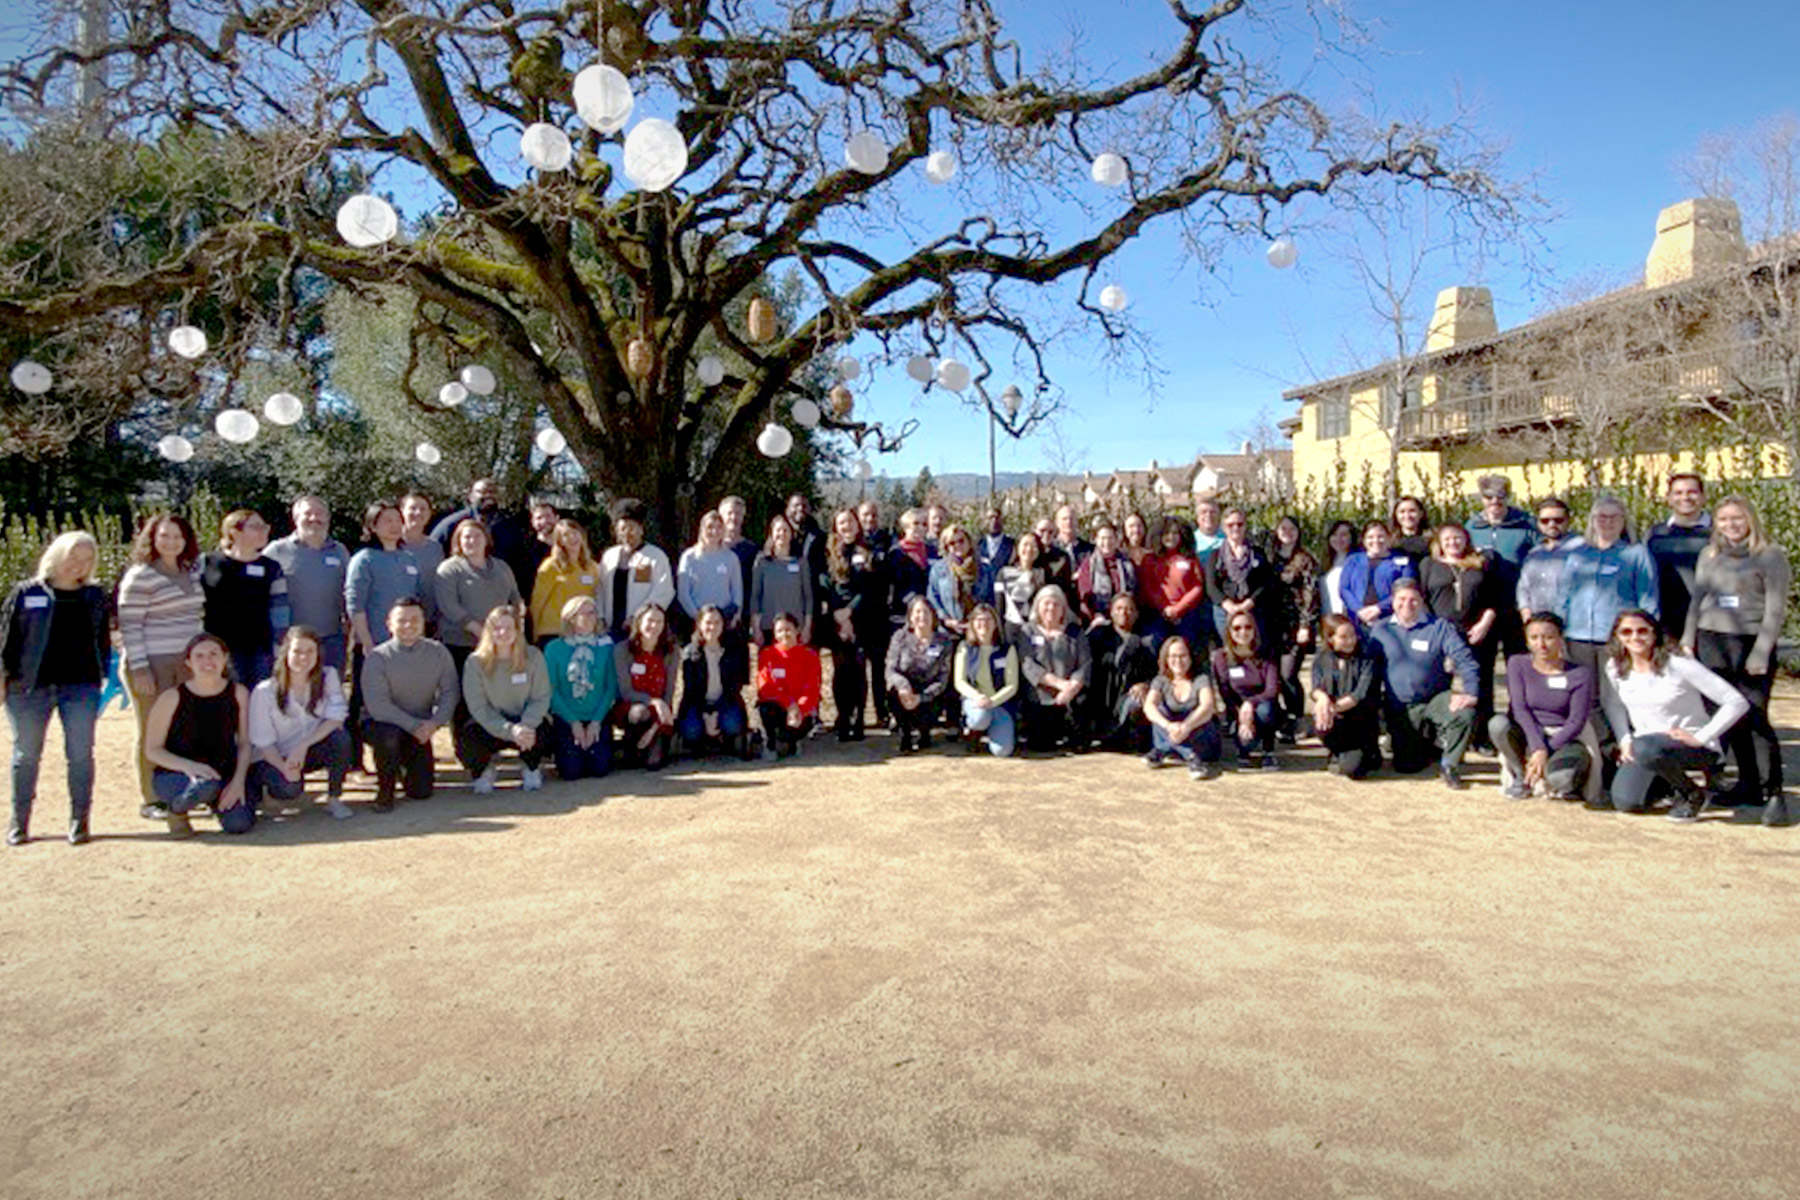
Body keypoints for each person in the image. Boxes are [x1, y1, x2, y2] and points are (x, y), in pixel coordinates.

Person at [1683, 496, 1791, 822]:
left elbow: (1775, 608)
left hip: (1749, 642)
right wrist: (1689, 637)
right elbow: (1697, 599)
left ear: (1750, 520)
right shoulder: (1710, 554)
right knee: (1727, 715)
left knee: (1755, 715)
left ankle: (1773, 793)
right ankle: (1747, 784)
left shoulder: (1770, 556)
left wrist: (1761, 650)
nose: (1731, 525)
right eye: (1724, 519)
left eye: (1737, 519)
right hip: (1710, 639)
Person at [2, 531, 112, 845]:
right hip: (28, 688)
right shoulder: (25, 593)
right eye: (74, 555)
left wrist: (101, 674)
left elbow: (102, 639)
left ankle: (80, 820)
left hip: (79, 688)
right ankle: (19, 822)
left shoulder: (94, 596)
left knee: (80, 755)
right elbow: (6, 640)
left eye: (87, 558)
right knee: (26, 755)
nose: (79, 564)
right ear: (57, 553)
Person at [1601, 609, 1748, 821]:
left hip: (1692, 747)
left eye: (1642, 631)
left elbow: (1736, 702)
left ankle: (1691, 794)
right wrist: (1624, 739)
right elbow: (1613, 704)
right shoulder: (1615, 667)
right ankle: (1666, 785)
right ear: (1617, 636)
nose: (1635, 638)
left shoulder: (1679, 664)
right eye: (1626, 632)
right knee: (1627, 802)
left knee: (1646, 747)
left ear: (1654, 634)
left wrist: (1701, 737)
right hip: (1646, 748)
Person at [118, 513, 206, 814]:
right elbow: (130, 626)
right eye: (165, 536)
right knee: (152, 730)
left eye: (177, 537)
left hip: (185, 664)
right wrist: (140, 668)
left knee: (181, 729)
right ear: (152, 539)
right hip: (151, 665)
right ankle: (151, 798)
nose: (171, 542)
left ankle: (181, 789)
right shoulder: (141, 575)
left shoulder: (189, 571)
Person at [1368, 579, 1480, 789]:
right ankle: (1427, 742)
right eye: (1401, 599)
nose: (1407, 604)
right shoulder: (1380, 630)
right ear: (1392, 601)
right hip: (1399, 705)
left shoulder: (1439, 627)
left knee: (1464, 714)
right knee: (1407, 766)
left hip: (1434, 699)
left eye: (1413, 599)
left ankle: (1450, 764)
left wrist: (1471, 692)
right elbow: (1369, 671)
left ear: (1422, 601)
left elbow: (1465, 659)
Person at [143, 633, 253, 837]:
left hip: (221, 773)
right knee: (205, 785)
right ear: (189, 663)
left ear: (225, 658)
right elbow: (152, 750)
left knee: (239, 824)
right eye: (199, 656)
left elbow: (245, 743)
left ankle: (214, 801)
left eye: (213, 654)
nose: (207, 661)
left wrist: (238, 782)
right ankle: (176, 812)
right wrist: (190, 767)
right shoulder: (171, 697)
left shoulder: (239, 693)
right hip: (176, 774)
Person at [361, 597, 459, 811]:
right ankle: (385, 791)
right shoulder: (377, 657)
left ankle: (404, 768)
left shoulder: (439, 652)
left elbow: (450, 693)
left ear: (424, 621)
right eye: (402, 620)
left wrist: (433, 724)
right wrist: (415, 726)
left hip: (421, 726)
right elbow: (378, 706)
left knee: (421, 792)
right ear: (389, 624)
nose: (408, 625)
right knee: (389, 737)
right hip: (382, 724)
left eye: (415, 619)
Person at [346, 500, 424, 765]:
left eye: (396, 519)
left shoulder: (409, 559)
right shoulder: (364, 559)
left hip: (403, 647)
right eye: (386, 521)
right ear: (373, 526)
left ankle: (400, 758)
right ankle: (355, 761)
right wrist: (366, 642)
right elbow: (355, 604)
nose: (394, 526)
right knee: (361, 702)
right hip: (373, 645)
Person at [246, 627, 353, 820]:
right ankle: (267, 792)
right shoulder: (265, 691)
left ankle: (334, 798)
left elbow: (336, 717)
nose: (303, 657)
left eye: (310, 651)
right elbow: (263, 744)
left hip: (306, 750)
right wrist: (283, 766)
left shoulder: (328, 676)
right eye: (297, 651)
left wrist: (303, 745)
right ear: (284, 652)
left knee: (340, 739)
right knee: (290, 788)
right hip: (273, 757)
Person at [1490, 613, 1598, 803]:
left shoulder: (1580, 673)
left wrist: (1548, 748)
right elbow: (1520, 709)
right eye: (1534, 638)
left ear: (1560, 639)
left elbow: (1576, 721)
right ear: (1527, 640)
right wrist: (1538, 746)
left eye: (1548, 637)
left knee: (1562, 779)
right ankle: (1519, 775)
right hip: (1529, 731)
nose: (1542, 644)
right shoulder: (1517, 664)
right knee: (1497, 724)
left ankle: (1562, 778)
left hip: (1564, 735)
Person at [1559, 496, 1659, 677]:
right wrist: (1558, 629)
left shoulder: (1636, 554)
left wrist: (1648, 636)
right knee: (1585, 695)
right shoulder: (1577, 554)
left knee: (1615, 697)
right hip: (1577, 637)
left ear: (1624, 521)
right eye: (1602, 517)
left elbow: (1647, 597)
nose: (1608, 522)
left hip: (1617, 637)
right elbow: (1563, 595)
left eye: (1614, 517)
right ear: (1592, 521)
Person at [1419, 522, 1499, 745]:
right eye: (1447, 539)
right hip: (1441, 634)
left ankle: (1481, 737)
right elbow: (1422, 600)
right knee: (1440, 684)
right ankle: (1440, 737)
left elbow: (1493, 598)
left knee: (1481, 684)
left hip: (1476, 632)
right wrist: (1434, 632)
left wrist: (1485, 622)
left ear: (1466, 540)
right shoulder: (1429, 565)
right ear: (1439, 543)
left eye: (1457, 538)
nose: (1453, 542)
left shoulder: (1479, 564)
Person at [457, 606, 551, 793]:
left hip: (525, 723)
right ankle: (483, 770)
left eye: (509, 628)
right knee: (469, 736)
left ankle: (531, 766)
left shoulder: (533, 656)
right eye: (497, 628)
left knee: (543, 730)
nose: (503, 633)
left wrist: (525, 725)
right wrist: (510, 730)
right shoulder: (475, 662)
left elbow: (541, 697)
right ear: (488, 631)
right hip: (492, 723)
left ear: (518, 630)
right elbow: (478, 707)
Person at [1464, 474, 1534, 709]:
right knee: (1482, 668)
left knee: (1519, 667)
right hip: (1483, 611)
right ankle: (1483, 730)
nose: (1495, 502)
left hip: (1515, 607)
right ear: (1481, 498)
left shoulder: (1525, 525)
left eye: (1500, 497)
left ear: (1508, 497)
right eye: (1489, 497)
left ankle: (1518, 723)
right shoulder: (1472, 527)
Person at [201, 508, 290, 686]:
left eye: (264, 527)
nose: (263, 532)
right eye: (256, 527)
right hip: (218, 649)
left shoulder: (271, 567)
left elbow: (280, 610)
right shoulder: (207, 563)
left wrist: (280, 648)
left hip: (259, 650)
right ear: (235, 531)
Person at [818, 508, 884, 741]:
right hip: (835, 619)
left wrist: (850, 612)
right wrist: (838, 614)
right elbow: (823, 581)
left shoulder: (866, 552)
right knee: (840, 671)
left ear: (857, 525)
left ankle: (859, 722)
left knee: (859, 672)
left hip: (862, 618)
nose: (846, 526)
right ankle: (843, 718)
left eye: (850, 522)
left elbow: (871, 587)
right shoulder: (827, 551)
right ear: (836, 526)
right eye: (841, 522)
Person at [267, 495, 350, 672]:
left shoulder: (340, 551)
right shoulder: (277, 550)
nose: (314, 519)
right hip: (291, 641)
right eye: (308, 514)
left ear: (328, 518)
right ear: (296, 518)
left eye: (320, 514)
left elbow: (349, 592)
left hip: (331, 639)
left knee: (330, 692)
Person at [435, 518, 524, 676]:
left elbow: (515, 598)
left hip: (499, 643)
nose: (472, 541)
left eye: (477, 536)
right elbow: (449, 606)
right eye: (467, 537)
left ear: (486, 539)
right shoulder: (449, 569)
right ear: (458, 541)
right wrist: (480, 631)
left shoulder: (501, 567)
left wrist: (515, 624)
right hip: (460, 644)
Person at [544, 595, 617, 782]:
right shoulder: (554, 648)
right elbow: (551, 690)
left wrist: (595, 722)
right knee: (571, 772)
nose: (589, 617)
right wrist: (573, 723)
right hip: (568, 716)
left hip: (596, 716)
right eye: (582, 613)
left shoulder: (606, 646)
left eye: (592, 613)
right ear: (570, 618)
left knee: (599, 769)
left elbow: (611, 687)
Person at [1310, 614, 1383, 780]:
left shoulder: (1366, 658)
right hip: (1336, 717)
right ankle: (1337, 751)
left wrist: (1331, 708)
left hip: (1360, 719)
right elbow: (1316, 688)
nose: (1350, 641)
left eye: (1352, 635)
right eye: (1343, 637)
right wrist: (1322, 699)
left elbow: (1359, 695)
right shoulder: (1321, 658)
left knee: (1353, 771)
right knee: (1320, 721)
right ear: (1330, 638)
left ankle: (1366, 753)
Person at [1018, 585, 1090, 752]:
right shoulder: (1027, 631)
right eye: (1046, 603)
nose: (1051, 608)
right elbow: (1028, 665)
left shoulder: (1075, 632)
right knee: (1041, 746)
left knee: (1077, 745)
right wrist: (1059, 684)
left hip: (1070, 695)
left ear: (1064, 609)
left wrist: (1070, 688)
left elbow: (1085, 665)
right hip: (1040, 695)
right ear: (1037, 606)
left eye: (1056, 604)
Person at [1266, 517, 1318, 740]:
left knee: (1288, 674)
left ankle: (1297, 718)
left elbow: (1312, 594)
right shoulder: (1270, 558)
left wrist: (1306, 624)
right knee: (1273, 674)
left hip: (1295, 624)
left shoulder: (1305, 560)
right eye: (1282, 528)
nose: (1286, 532)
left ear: (1298, 532)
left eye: (1291, 528)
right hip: (1271, 624)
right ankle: (1281, 720)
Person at [1084, 593, 1157, 752]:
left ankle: (1126, 738)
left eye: (1130, 609)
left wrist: (1145, 685)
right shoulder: (1097, 635)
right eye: (1119, 608)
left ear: (1137, 614)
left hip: (1126, 695)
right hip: (1098, 694)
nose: (1124, 613)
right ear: (1111, 612)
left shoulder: (1145, 641)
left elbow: (1156, 673)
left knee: (1137, 702)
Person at [675, 605, 751, 758]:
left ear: (723, 624)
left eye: (717, 622)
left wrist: (715, 714)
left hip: (726, 701)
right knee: (691, 731)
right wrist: (705, 715)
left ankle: (726, 740)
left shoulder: (734, 650)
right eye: (708, 623)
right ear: (700, 625)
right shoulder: (690, 653)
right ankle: (702, 742)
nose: (712, 627)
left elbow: (735, 687)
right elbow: (691, 691)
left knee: (732, 725)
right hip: (697, 704)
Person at [1143, 636, 1221, 780]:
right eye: (1173, 656)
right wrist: (1169, 726)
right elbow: (1149, 706)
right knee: (1159, 711)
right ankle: (1190, 756)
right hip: (1172, 733)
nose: (1178, 661)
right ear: (1166, 658)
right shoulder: (1160, 680)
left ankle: (1162, 749)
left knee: (1202, 717)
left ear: (1190, 657)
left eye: (1182, 656)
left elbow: (1208, 706)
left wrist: (1186, 726)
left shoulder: (1201, 679)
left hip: (1200, 739)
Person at [1211, 610, 1281, 770]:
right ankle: (1243, 752)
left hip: (1263, 705)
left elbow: (1272, 690)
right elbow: (1225, 693)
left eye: (1247, 627)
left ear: (1254, 630)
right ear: (1229, 631)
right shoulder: (1221, 658)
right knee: (1246, 741)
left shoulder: (1266, 653)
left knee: (1266, 710)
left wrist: (1250, 703)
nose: (1243, 632)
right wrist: (1240, 716)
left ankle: (1268, 752)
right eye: (1237, 628)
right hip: (1237, 710)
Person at [597, 498, 676, 639]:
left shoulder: (655, 556)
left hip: (641, 629)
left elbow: (664, 591)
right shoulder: (609, 556)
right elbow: (600, 589)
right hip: (610, 627)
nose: (627, 533)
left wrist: (637, 616)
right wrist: (601, 617)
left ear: (641, 529)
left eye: (632, 528)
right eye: (622, 529)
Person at [612, 603, 678, 768]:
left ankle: (653, 742)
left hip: (660, 714)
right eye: (649, 621)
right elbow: (625, 691)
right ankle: (631, 744)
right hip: (632, 709)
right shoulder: (623, 650)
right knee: (639, 713)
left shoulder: (671, 652)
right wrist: (654, 702)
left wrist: (656, 726)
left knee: (653, 763)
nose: (654, 626)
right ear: (639, 622)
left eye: (659, 622)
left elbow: (669, 691)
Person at [885, 595, 955, 752]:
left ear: (933, 616)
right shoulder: (899, 638)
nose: (921, 616)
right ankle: (905, 734)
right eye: (917, 612)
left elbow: (943, 678)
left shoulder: (944, 642)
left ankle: (925, 733)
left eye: (926, 612)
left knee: (936, 700)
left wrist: (921, 697)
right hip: (905, 690)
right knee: (893, 692)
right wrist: (903, 687)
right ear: (910, 616)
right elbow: (890, 669)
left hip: (930, 693)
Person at [1647, 473, 1711, 641]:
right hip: (1667, 626)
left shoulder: (1720, 532)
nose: (1685, 497)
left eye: (1692, 492)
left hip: (1711, 623)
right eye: (1678, 493)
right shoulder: (1655, 534)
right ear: (1668, 498)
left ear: (1703, 497)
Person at [953, 603, 1020, 757]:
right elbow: (959, 681)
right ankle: (972, 732)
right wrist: (977, 697)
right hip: (975, 702)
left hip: (999, 704)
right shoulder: (964, 647)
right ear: (972, 624)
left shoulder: (1007, 649)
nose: (984, 624)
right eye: (979, 620)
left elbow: (1012, 685)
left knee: (1002, 752)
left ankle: (995, 731)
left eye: (988, 620)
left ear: (996, 623)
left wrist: (992, 701)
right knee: (980, 718)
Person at [755, 612, 822, 759]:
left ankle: (793, 742)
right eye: (779, 631)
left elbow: (812, 688)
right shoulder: (767, 655)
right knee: (766, 709)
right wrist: (789, 704)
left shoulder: (810, 656)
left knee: (798, 725)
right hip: (778, 706)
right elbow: (766, 687)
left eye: (788, 629)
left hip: (800, 710)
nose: (784, 634)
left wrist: (800, 709)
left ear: (797, 630)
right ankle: (770, 745)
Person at [1138, 515, 1207, 651]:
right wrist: (1165, 608)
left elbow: (1197, 587)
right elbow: (1147, 586)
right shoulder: (1150, 559)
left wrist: (1178, 608)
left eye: (1175, 533)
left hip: (1186, 615)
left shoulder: (1191, 559)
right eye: (1167, 533)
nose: (1171, 537)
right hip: (1158, 614)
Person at [1203, 507, 1270, 645]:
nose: (1235, 528)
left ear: (1245, 526)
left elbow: (1265, 582)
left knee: (1254, 650)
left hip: (1252, 609)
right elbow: (1211, 586)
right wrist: (1228, 605)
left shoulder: (1258, 553)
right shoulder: (1215, 556)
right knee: (1230, 650)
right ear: (1223, 527)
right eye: (1230, 525)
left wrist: (1248, 603)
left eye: (1240, 524)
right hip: (1225, 611)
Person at [676, 510, 745, 643]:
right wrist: (700, 618)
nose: (714, 531)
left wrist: (734, 615)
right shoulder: (689, 557)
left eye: (719, 527)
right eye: (710, 527)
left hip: (725, 622)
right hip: (696, 621)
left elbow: (737, 592)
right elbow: (683, 593)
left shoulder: (731, 558)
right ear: (702, 529)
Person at [530, 518, 600, 645]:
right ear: (559, 541)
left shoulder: (592, 567)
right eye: (565, 535)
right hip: (554, 631)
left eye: (575, 532)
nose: (572, 537)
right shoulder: (551, 566)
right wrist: (534, 632)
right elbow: (537, 603)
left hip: (582, 632)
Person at [749, 514, 814, 646]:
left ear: (791, 534)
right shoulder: (762, 561)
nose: (782, 534)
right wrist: (756, 628)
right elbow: (755, 596)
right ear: (772, 534)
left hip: (795, 630)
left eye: (786, 530)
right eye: (778, 530)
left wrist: (807, 627)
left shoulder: (801, 562)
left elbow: (808, 597)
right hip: (768, 628)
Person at [1516, 498, 1583, 622]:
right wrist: (1526, 615)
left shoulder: (1583, 549)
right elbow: (1523, 588)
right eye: (1545, 521)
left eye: (1558, 520)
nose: (1551, 525)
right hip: (1539, 625)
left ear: (1568, 520)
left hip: (1572, 624)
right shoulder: (1534, 554)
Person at [1337, 520, 1413, 630]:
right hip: (1357, 620)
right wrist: (1359, 610)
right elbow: (1344, 589)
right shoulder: (1353, 560)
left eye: (1380, 536)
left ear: (1389, 538)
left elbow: (1406, 589)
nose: (1376, 540)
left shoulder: (1402, 561)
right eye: (1370, 537)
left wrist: (1379, 608)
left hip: (1390, 620)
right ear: (1364, 540)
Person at [1076, 523, 1138, 629]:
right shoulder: (1088, 565)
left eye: (1110, 538)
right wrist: (1094, 616)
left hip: (1124, 618)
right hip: (1097, 618)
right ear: (1096, 540)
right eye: (1103, 538)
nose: (1107, 542)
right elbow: (1085, 595)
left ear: (1116, 540)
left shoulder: (1127, 564)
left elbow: (1134, 591)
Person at [399, 492, 445, 631]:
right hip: (398, 621)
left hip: (428, 622)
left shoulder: (435, 548)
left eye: (423, 509)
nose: (418, 513)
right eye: (412, 508)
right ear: (402, 511)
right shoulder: (391, 544)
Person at [925, 523, 979, 637]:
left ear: (969, 542)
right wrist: (946, 620)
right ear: (946, 546)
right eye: (952, 543)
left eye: (961, 540)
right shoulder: (938, 570)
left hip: (978, 630)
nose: (957, 545)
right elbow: (933, 598)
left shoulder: (984, 568)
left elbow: (990, 600)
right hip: (947, 632)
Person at [995, 531, 1047, 638]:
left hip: (1033, 630)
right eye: (1025, 544)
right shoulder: (1003, 573)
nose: (1029, 549)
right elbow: (999, 605)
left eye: (1034, 546)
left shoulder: (1043, 574)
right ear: (1017, 547)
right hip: (1010, 629)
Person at [718, 494, 761, 603]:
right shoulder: (711, 548)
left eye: (738, 514)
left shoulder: (752, 550)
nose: (733, 518)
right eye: (729, 513)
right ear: (721, 516)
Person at [1317, 520, 1356, 619]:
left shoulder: (1358, 562)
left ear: (1351, 538)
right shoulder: (1325, 563)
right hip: (1327, 619)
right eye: (1334, 534)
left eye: (1344, 535)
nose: (1338, 539)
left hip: (1349, 620)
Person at [975, 508, 1014, 608]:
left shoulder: (1012, 545)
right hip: (981, 601)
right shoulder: (976, 545)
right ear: (984, 521)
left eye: (997, 518)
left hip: (1004, 601)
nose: (994, 521)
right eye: (990, 518)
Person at [1390, 496, 1432, 562]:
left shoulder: (1432, 542)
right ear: (1396, 515)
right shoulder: (1390, 542)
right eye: (1402, 512)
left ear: (1421, 513)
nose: (1407, 516)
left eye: (1412, 511)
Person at [1052, 504, 1094, 570]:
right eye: (1064, 519)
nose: (1068, 522)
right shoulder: (1051, 549)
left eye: (1071, 518)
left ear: (1077, 522)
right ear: (1057, 523)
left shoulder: (1089, 550)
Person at [1192, 498, 1224, 567]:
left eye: (1213, 512)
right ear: (1197, 517)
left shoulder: (1228, 539)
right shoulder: (1190, 541)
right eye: (1204, 512)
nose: (1208, 515)